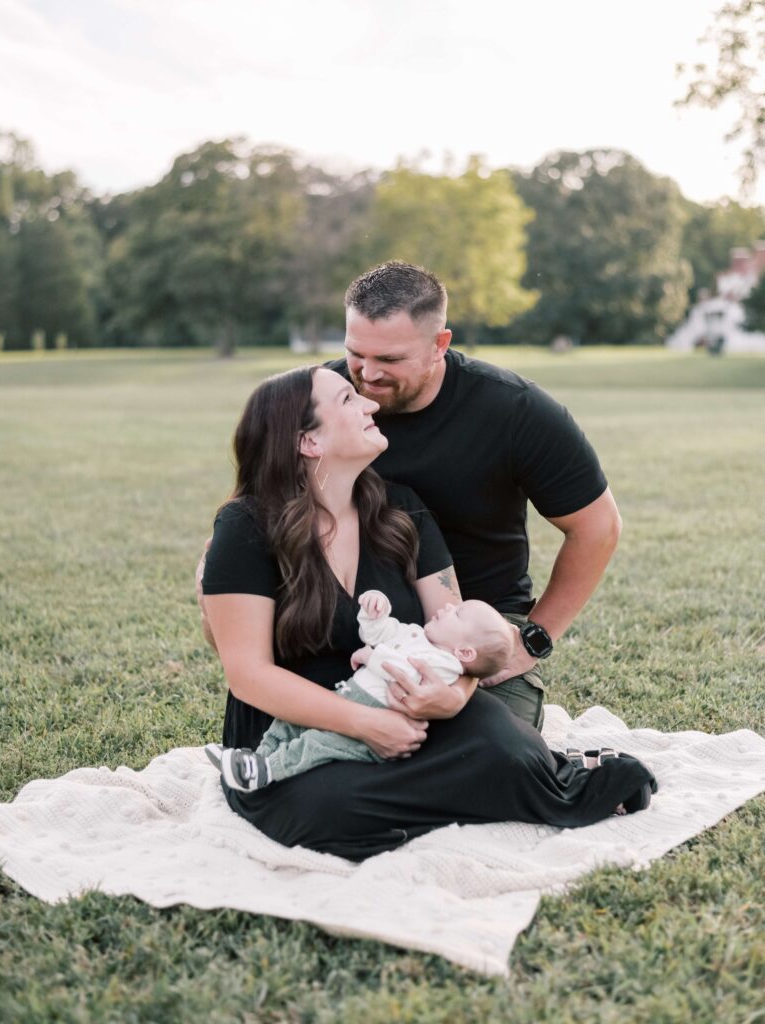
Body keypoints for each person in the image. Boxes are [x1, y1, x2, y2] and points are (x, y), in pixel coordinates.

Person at [200, 364, 655, 861]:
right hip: (294, 728)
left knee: (504, 745)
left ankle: (513, 777)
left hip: (406, 699)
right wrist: (364, 724)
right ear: (308, 441)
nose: (371, 404)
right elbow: (249, 675)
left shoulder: (402, 510)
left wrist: (452, 698)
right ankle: (481, 790)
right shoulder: (245, 527)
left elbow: (456, 628)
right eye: (350, 401)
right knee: (326, 807)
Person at [320, 260, 624, 733]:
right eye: (356, 352)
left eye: (391, 360)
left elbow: (597, 526)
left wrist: (534, 639)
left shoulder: (514, 410)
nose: (368, 374)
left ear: (441, 344)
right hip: (358, 618)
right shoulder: (321, 400)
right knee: (328, 749)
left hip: (472, 627)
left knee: (489, 756)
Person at [204, 589, 516, 792]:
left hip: (375, 722)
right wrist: (375, 612)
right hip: (352, 699)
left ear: (465, 654)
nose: (449, 606)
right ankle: (254, 758)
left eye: (458, 614)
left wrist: (373, 656)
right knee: (289, 721)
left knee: (316, 742)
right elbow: (380, 633)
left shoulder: (445, 666)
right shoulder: (417, 634)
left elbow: (403, 670)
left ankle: (267, 770)